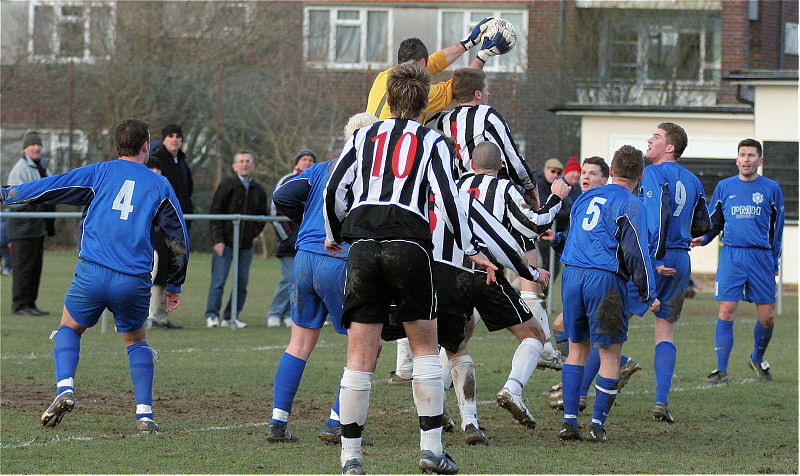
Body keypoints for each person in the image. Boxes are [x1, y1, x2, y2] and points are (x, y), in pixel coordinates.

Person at [324, 61, 496, 475]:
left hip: (364, 247)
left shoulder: (363, 135)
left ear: (390, 97)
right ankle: (431, 450)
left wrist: (335, 232)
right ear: (424, 102)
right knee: (424, 348)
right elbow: (450, 200)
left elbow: (335, 187)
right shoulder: (433, 142)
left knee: (359, 356)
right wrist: (470, 246)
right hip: (408, 246)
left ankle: (350, 458)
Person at [1, 118, 189, 433]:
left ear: (119, 145)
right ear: (146, 147)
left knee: (69, 328)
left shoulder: (98, 172)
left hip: (93, 273)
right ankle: (145, 415)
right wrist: (174, 282)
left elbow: (51, 187)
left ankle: (65, 388)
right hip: (134, 279)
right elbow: (178, 238)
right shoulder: (160, 184)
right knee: (135, 341)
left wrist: (8, 194)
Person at [265, 113, 378, 445]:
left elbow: (282, 196)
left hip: (304, 259)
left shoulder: (320, 167)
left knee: (298, 343)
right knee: (366, 345)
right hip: (340, 260)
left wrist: (306, 223)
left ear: (345, 139)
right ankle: (337, 422)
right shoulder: (371, 173)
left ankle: (277, 422)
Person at [442, 141, 567, 440]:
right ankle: (512, 389)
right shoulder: (506, 189)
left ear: (471, 165)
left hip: (451, 273)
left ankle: (453, 416)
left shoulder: (454, 186)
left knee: (456, 343)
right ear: (500, 166)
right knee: (534, 335)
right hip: (488, 274)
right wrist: (556, 198)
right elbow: (534, 225)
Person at [557, 145, 658, 442]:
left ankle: (569, 422)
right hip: (604, 278)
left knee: (577, 350)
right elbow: (636, 253)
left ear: (611, 172)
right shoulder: (632, 204)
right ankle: (597, 425)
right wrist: (648, 292)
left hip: (572, 274)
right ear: (640, 175)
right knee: (610, 354)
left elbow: (577, 236)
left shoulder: (584, 198)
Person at [540, 157, 641, 411]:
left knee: (597, 340)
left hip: (614, 279)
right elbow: (582, 245)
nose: (585, 177)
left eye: (592, 174)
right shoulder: (582, 204)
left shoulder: (616, 202)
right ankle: (581, 389)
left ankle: (580, 391)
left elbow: (627, 247)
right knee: (571, 331)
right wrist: (558, 240)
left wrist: (647, 288)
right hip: (590, 277)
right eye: (583, 173)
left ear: (605, 179)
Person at [626, 122, 710, 424]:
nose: (649, 139)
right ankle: (661, 400)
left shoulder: (650, 174)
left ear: (670, 148)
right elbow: (704, 224)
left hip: (655, 257)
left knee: (614, 325)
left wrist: (652, 259)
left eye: (657, 137)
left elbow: (657, 219)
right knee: (665, 331)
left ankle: (581, 397)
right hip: (681, 259)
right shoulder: (693, 180)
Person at [692, 139, 784, 383]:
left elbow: (778, 229)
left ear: (760, 161)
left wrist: (774, 260)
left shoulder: (771, 188)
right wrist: (703, 238)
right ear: (737, 159)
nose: (746, 159)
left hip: (761, 257)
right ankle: (721, 370)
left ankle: (757, 357)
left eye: (751, 155)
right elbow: (714, 221)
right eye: (742, 155)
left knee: (767, 316)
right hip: (732, 254)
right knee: (727, 309)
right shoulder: (724, 187)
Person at [365, 18, 506, 122]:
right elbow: (463, 86)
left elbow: (432, 63)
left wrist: (468, 42)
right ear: (421, 62)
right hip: (393, 151)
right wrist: (483, 55)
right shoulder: (417, 92)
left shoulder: (383, 76)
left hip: (371, 146)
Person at [205, 150, 267, 329]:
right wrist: (218, 239)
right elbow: (215, 212)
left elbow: (262, 217)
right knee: (219, 280)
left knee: (242, 282)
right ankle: (212, 315)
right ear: (234, 165)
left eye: (248, 161)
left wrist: (251, 234)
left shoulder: (258, 190)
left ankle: (231, 316)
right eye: (241, 161)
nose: (244, 164)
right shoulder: (227, 185)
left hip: (245, 245)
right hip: (225, 243)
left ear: (253, 165)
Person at [267, 149, 317, 328]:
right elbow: (274, 209)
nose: (308, 162)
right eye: (304, 159)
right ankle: (274, 312)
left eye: (311, 160)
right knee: (288, 278)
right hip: (288, 243)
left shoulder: (315, 181)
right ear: (297, 162)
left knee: (301, 280)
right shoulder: (287, 180)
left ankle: (289, 314)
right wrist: (287, 237)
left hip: (306, 242)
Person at [6, 131, 53, 315]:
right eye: (33, 144)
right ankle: (19, 305)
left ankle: (31, 304)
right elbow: (16, 200)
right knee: (22, 268)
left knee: (35, 268)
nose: (37, 148)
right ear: (25, 148)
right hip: (23, 228)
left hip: (38, 227)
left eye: (39, 144)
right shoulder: (20, 169)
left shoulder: (42, 167)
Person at [143, 156, 180, 330]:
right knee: (152, 273)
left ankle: (161, 316)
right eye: (152, 168)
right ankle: (150, 316)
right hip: (148, 237)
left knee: (164, 273)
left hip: (163, 236)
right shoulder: (142, 188)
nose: (156, 172)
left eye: (158, 168)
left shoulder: (164, 187)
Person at [152, 124, 194, 222]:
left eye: (178, 136)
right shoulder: (155, 162)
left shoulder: (183, 164)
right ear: (164, 140)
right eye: (170, 136)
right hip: (162, 220)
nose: (174, 139)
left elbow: (188, 190)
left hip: (182, 218)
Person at [533, 158, 564, 285]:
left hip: (550, 233)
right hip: (537, 233)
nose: (555, 175)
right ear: (545, 169)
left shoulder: (555, 185)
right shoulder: (538, 184)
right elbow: (546, 210)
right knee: (540, 266)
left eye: (558, 173)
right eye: (552, 171)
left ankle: (542, 297)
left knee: (553, 268)